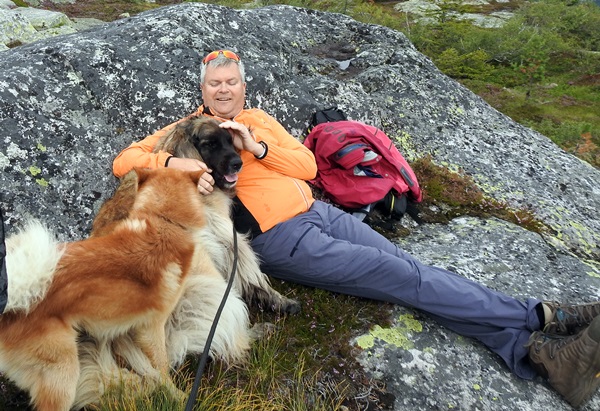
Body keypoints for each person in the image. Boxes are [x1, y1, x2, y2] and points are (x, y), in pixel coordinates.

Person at [113, 49, 600, 408]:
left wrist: (258, 146)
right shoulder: (189, 130)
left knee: (410, 269)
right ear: (203, 90)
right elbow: (126, 161)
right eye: (215, 83)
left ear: (243, 86)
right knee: (407, 279)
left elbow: (305, 166)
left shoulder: (258, 120)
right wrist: (177, 163)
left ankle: (532, 351)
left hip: (320, 213)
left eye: (231, 82)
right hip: (279, 239)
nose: (223, 90)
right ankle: (542, 320)